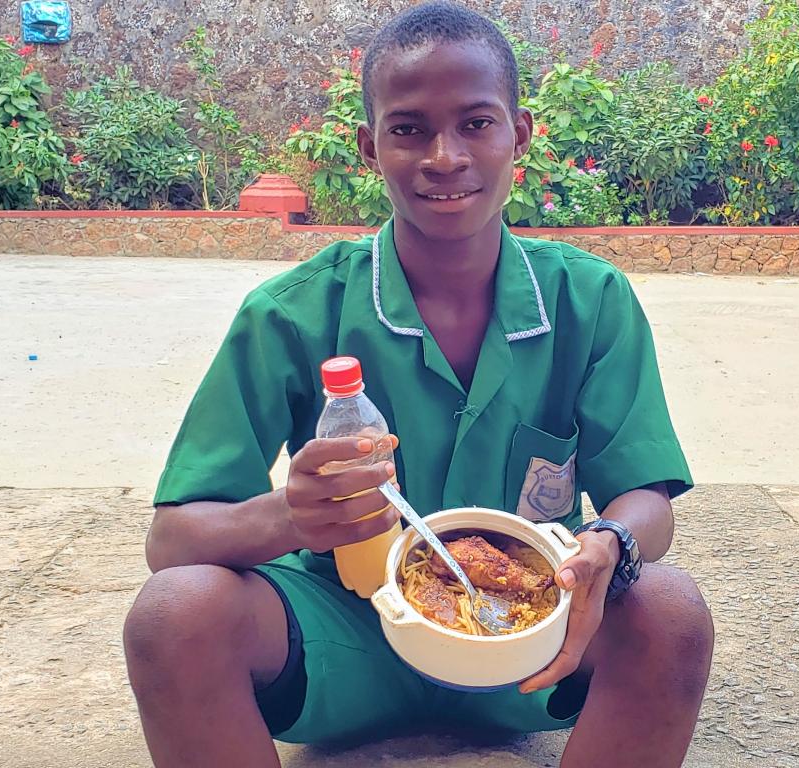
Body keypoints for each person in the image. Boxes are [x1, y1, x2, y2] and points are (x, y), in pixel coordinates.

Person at [123, 3, 714, 766]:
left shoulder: (589, 300)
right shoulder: (294, 313)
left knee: (672, 608)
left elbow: (646, 500)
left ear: (520, 135)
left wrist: (612, 542)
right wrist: (296, 515)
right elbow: (173, 540)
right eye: (409, 129)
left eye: (476, 123)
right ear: (371, 147)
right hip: (344, 631)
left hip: (527, 643)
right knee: (173, 615)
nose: (444, 156)